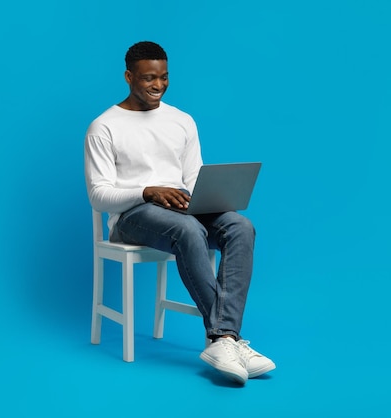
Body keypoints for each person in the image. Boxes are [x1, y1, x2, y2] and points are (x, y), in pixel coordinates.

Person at [84, 41, 275, 385]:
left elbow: (192, 178)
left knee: (240, 226)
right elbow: (99, 195)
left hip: (183, 207)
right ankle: (225, 338)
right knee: (189, 232)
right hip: (131, 216)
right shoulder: (104, 126)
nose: (158, 85)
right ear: (129, 77)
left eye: (164, 77)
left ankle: (224, 338)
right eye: (148, 79)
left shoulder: (182, 120)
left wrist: (210, 198)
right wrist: (147, 191)